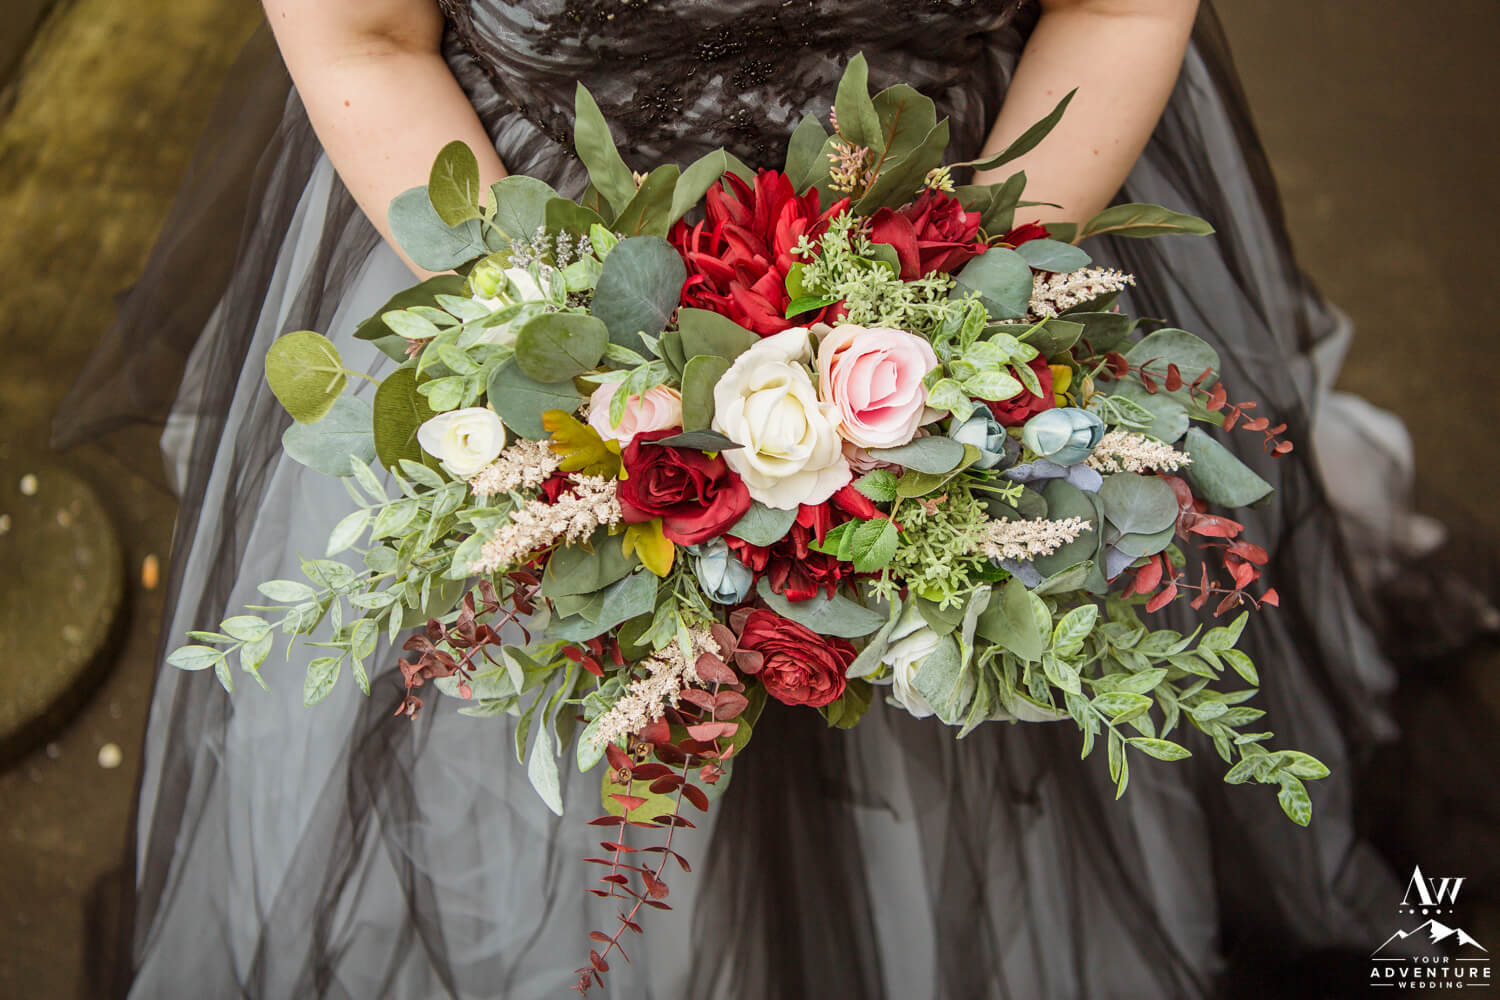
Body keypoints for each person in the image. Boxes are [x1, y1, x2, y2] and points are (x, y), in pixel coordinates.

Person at [56, 0, 1453, 996]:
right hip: (515, 279)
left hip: (982, 244)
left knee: (983, 705)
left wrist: (937, 354)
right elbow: (363, 36)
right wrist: (582, 398)